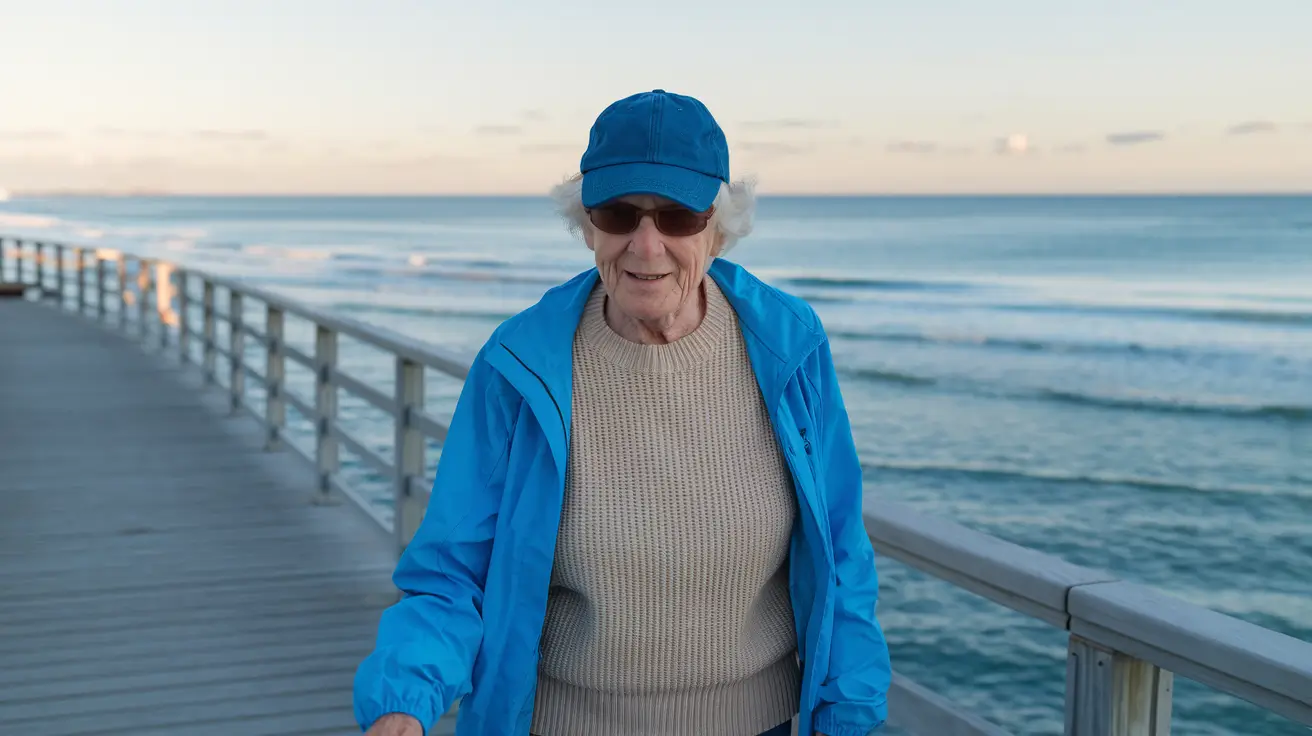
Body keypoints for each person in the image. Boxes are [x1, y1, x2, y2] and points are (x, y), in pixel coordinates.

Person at [353, 89, 891, 736]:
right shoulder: (517, 366)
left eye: (677, 217)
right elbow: (451, 573)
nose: (645, 245)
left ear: (719, 227)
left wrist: (850, 715)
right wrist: (401, 703)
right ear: (585, 223)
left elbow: (840, 558)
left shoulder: (790, 346)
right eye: (618, 213)